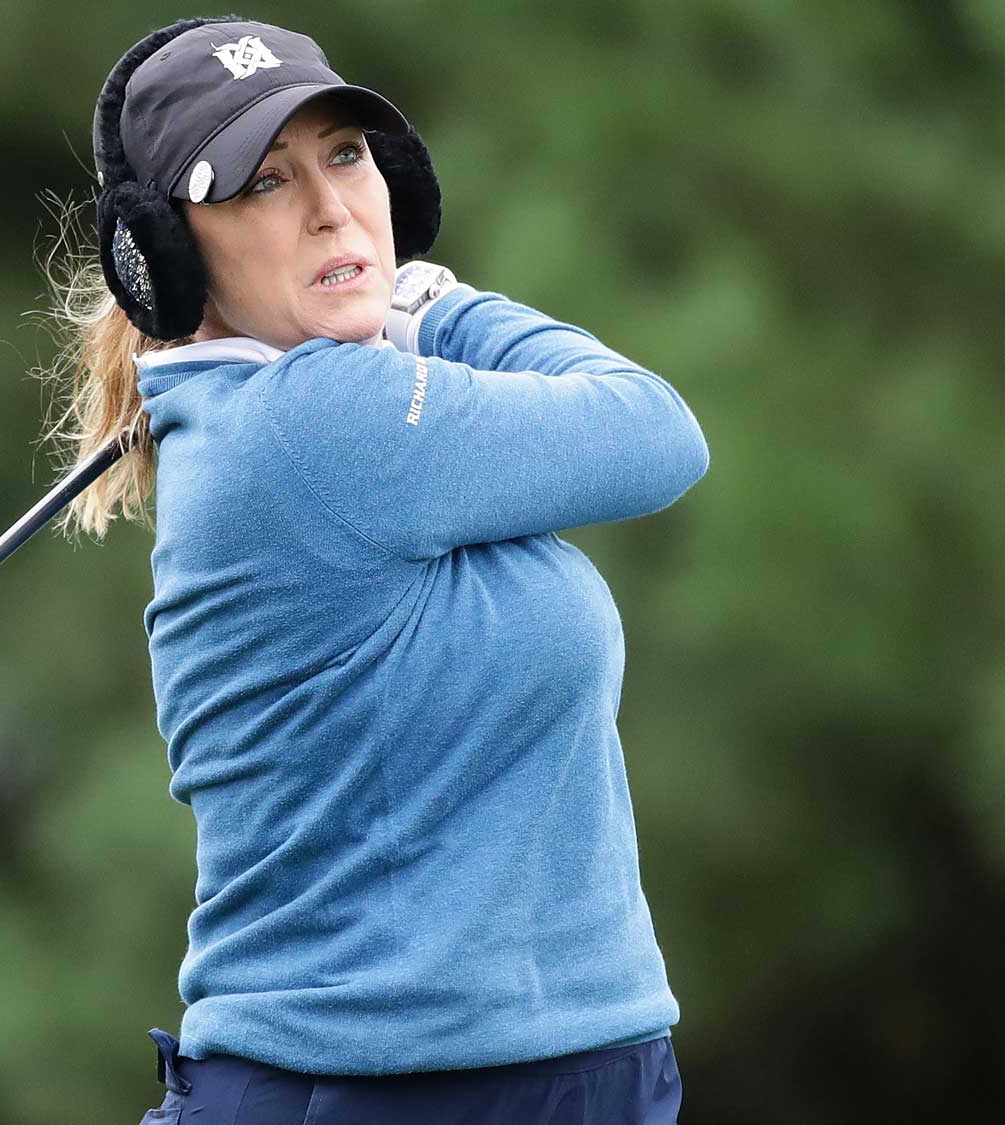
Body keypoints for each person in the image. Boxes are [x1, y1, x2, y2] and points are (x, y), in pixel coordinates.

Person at [36, 16, 708, 1125]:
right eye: (260, 183)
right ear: (165, 253)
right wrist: (432, 302)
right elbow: (656, 432)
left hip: (565, 1068)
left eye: (343, 153)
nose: (329, 207)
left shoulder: (317, 415)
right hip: (381, 1092)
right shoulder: (311, 425)